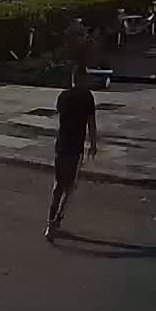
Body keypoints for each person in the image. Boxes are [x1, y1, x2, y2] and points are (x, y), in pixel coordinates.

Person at [46, 67, 99, 240]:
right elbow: (91, 123)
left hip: (61, 146)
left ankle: (49, 224)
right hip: (75, 148)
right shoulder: (87, 97)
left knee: (58, 185)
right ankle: (57, 221)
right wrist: (93, 144)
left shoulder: (63, 96)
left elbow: (61, 115)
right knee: (69, 188)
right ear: (83, 80)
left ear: (72, 79)